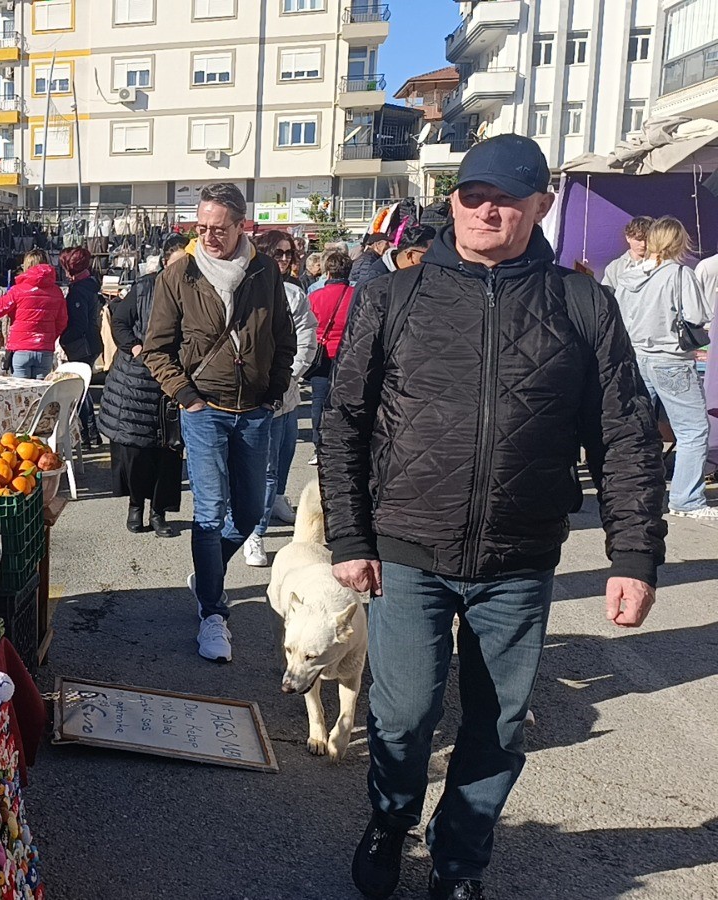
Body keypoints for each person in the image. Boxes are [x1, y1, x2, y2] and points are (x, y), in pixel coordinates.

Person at [321, 135, 667, 900]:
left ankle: (460, 861)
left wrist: (634, 557)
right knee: (404, 714)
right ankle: (390, 818)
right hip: (406, 550)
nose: (486, 209)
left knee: (497, 728)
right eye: (473, 194)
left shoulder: (581, 302)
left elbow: (624, 434)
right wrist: (348, 536)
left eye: (506, 198)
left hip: (518, 558)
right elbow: (343, 417)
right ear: (453, 202)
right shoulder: (395, 295)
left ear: (540, 207)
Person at [141, 182, 296, 663]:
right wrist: (185, 397)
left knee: (250, 513)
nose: (208, 236)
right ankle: (213, 613)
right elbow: (156, 348)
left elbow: (283, 336)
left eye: (218, 228)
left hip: (253, 412)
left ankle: (206, 572)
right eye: (201, 227)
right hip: (203, 410)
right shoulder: (179, 275)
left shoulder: (264, 270)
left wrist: (274, 390)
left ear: (241, 226)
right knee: (209, 512)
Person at [609, 216, 716, 520]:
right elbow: (697, 315)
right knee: (693, 430)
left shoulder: (628, 275)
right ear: (679, 242)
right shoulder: (680, 274)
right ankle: (686, 499)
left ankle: (630, 494)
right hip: (671, 361)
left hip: (635, 358)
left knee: (637, 431)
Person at [100, 234, 189, 534]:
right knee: (135, 450)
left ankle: (159, 512)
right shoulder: (145, 287)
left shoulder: (196, 292)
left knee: (168, 452)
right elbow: (119, 322)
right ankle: (136, 504)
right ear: (165, 263)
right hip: (136, 381)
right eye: (177, 263)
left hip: (172, 382)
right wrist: (136, 348)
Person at [243, 231, 317, 567]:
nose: (285, 259)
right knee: (267, 468)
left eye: (289, 254)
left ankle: (276, 502)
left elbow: (306, 339)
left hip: (287, 393)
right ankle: (255, 532)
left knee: (286, 456)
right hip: (261, 395)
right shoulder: (250, 287)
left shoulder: (295, 293)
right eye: (279, 253)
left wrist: (290, 375)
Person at [0, 249, 68, 380]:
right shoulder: (56, 292)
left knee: (20, 393)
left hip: (21, 348)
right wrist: (49, 336)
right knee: (40, 394)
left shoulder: (18, 290)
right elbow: (62, 321)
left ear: (26, 266)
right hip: (45, 349)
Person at [305, 250, 355, 457]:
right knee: (345, 400)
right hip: (348, 355)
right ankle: (342, 443)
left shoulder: (315, 296)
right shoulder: (358, 294)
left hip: (321, 354)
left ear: (327, 271)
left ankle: (319, 445)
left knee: (319, 400)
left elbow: (308, 326)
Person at [59, 246, 102, 446]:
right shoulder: (91, 285)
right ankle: (90, 433)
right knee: (83, 388)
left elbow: (79, 323)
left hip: (81, 344)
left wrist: (63, 338)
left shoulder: (78, 291)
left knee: (79, 390)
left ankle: (89, 433)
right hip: (92, 342)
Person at [601, 216, 653, 291]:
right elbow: (606, 296)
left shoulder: (659, 264)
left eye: (647, 240)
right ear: (628, 237)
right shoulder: (614, 267)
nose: (643, 244)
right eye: (639, 239)